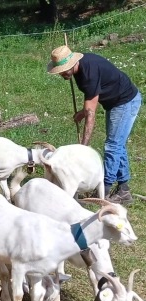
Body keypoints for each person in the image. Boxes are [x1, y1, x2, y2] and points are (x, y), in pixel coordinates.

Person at [47, 45, 142, 205]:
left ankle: (103, 191)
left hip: (125, 102)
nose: (62, 74)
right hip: (114, 103)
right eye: (59, 71)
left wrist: (82, 149)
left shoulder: (88, 73)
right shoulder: (80, 71)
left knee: (113, 146)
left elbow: (91, 116)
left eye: (63, 70)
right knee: (118, 144)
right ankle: (124, 190)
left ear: (72, 64)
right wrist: (82, 113)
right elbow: (91, 101)